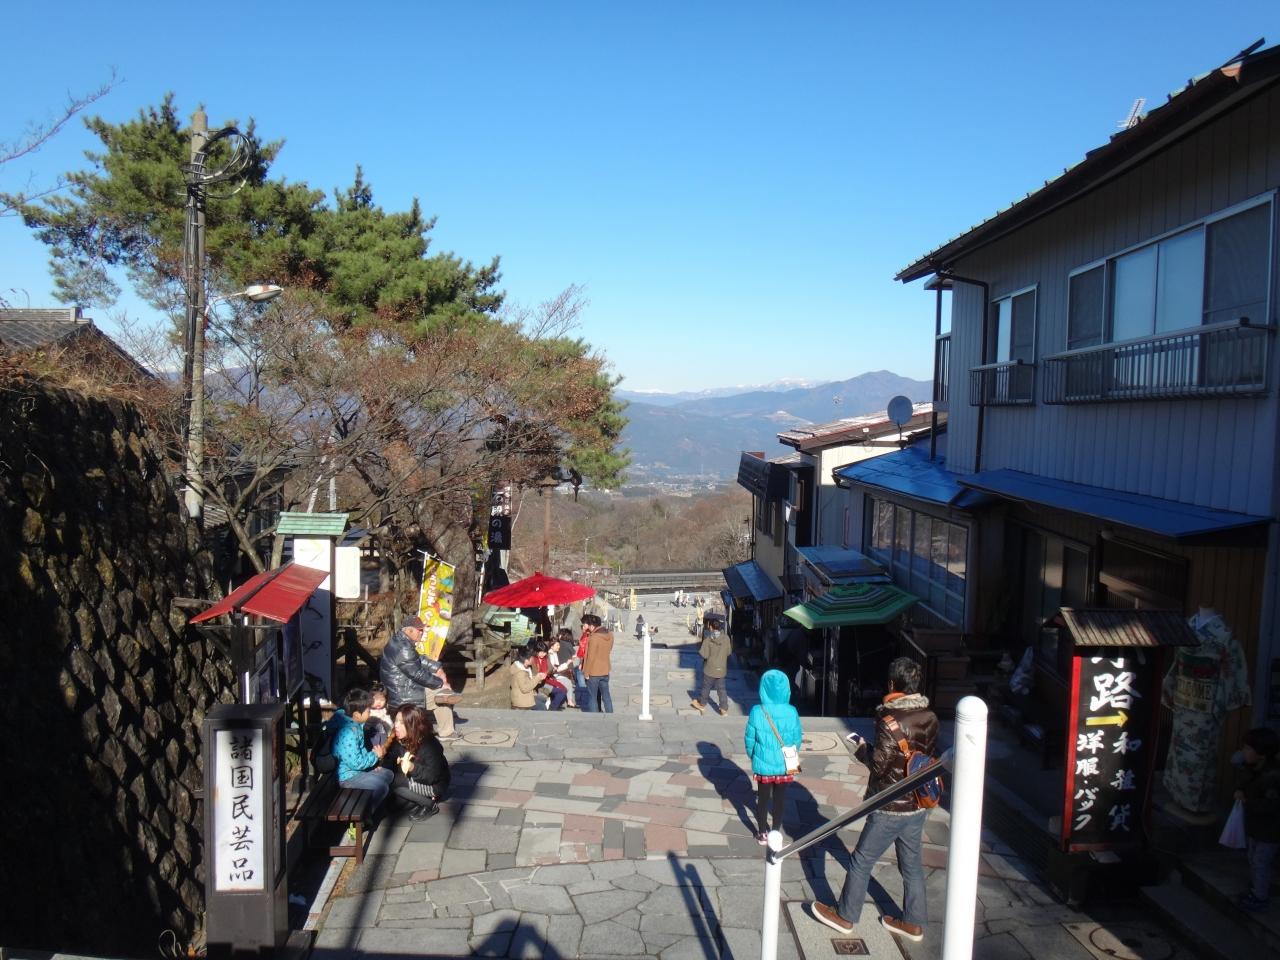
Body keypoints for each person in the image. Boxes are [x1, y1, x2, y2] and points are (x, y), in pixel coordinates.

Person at [812, 657, 938, 945]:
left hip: (890, 804)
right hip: (918, 802)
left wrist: (861, 749)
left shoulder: (889, 720)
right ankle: (913, 922)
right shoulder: (930, 716)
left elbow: (879, 765)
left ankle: (845, 916)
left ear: (892, 684)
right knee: (912, 865)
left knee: (861, 860)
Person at [744, 669, 803, 844]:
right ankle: (775, 831)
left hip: (763, 763)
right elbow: (797, 739)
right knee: (780, 799)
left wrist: (753, 756)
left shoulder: (757, 711)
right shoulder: (792, 711)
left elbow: (749, 739)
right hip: (784, 764)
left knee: (762, 799)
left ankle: (762, 832)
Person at [380, 615, 458, 742]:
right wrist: (440, 684)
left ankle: (441, 727)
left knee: (441, 691)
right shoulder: (403, 648)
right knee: (443, 693)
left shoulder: (399, 641)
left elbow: (418, 659)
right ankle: (446, 732)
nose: (422, 632)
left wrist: (437, 668)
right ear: (409, 630)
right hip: (403, 694)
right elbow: (417, 674)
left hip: (401, 688)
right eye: (420, 630)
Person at [1235, 726, 1280, 911]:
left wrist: (1247, 801)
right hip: (1256, 827)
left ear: (1261, 754)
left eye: (1248, 748)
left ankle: (1260, 897)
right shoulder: (1253, 769)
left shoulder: (1272, 777)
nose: (1244, 751)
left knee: (1260, 862)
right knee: (1254, 859)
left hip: (1269, 831)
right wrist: (1239, 790)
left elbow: (1271, 806)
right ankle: (1255, 889)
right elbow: (1244, 784)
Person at [331, 687, 393, 807]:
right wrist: (375, 755)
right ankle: (367, 812)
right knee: (382, 787)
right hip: (347, 777)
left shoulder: (355, 724)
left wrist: (372, 764)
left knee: (388, 775)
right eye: (368, 710)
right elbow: (356, 763)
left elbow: (359, 752)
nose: (370, 713)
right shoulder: (349, 733)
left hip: (356, 770)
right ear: (356, 715)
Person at [388, 704, 451, 821]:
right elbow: (391, 758)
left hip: (435, 785)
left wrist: (412, 768)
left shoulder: (430, 745)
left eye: (401, 723)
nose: (396, 725)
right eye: (396, 721)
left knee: (394, 781)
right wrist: (382, 764)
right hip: (410, 779)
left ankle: (430, 805)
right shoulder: (400, 740)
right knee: (391, 806)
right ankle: (418, 800)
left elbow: (432, 777)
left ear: (413, 725)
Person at [692, 619, 732, 715]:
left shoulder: (708, 639)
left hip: (710, 668)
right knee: (721, 689)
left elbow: (704, 655)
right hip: (721, 669)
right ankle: (724, 709)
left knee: (706, 687)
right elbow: (729, 652)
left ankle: (702, 704)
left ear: (710, 627)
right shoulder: (726, 639)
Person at [581, 613, 614, 713]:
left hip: (594, 672)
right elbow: (609, 649)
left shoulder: (594, 638)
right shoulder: (610, 635)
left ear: (592, 626)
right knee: (606, 695)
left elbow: (590, 657)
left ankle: (595, 717)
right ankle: (610, 715)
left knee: (593, 697)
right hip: (605, 670)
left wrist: (586, 672)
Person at [532, 641, 568, 710]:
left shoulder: (546, 657)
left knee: (563, 689)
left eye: (544, 652)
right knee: (560, 690)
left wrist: (546, 672)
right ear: (536, 651)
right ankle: (553, 708)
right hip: (538, 683)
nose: (543, 654)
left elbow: (550, 668)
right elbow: (534, 673)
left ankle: (552, 708)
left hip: (546, 679)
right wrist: (540, 675)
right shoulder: (533, 659)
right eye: (541, 652)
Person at [550, 628, 579, 708]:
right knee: (568, 683)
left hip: (560, 668)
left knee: (566, 683)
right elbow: (575, 655)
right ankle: (568, 701)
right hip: (566, 669)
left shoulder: (556, 646)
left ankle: (566, 701)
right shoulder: (567, 644)